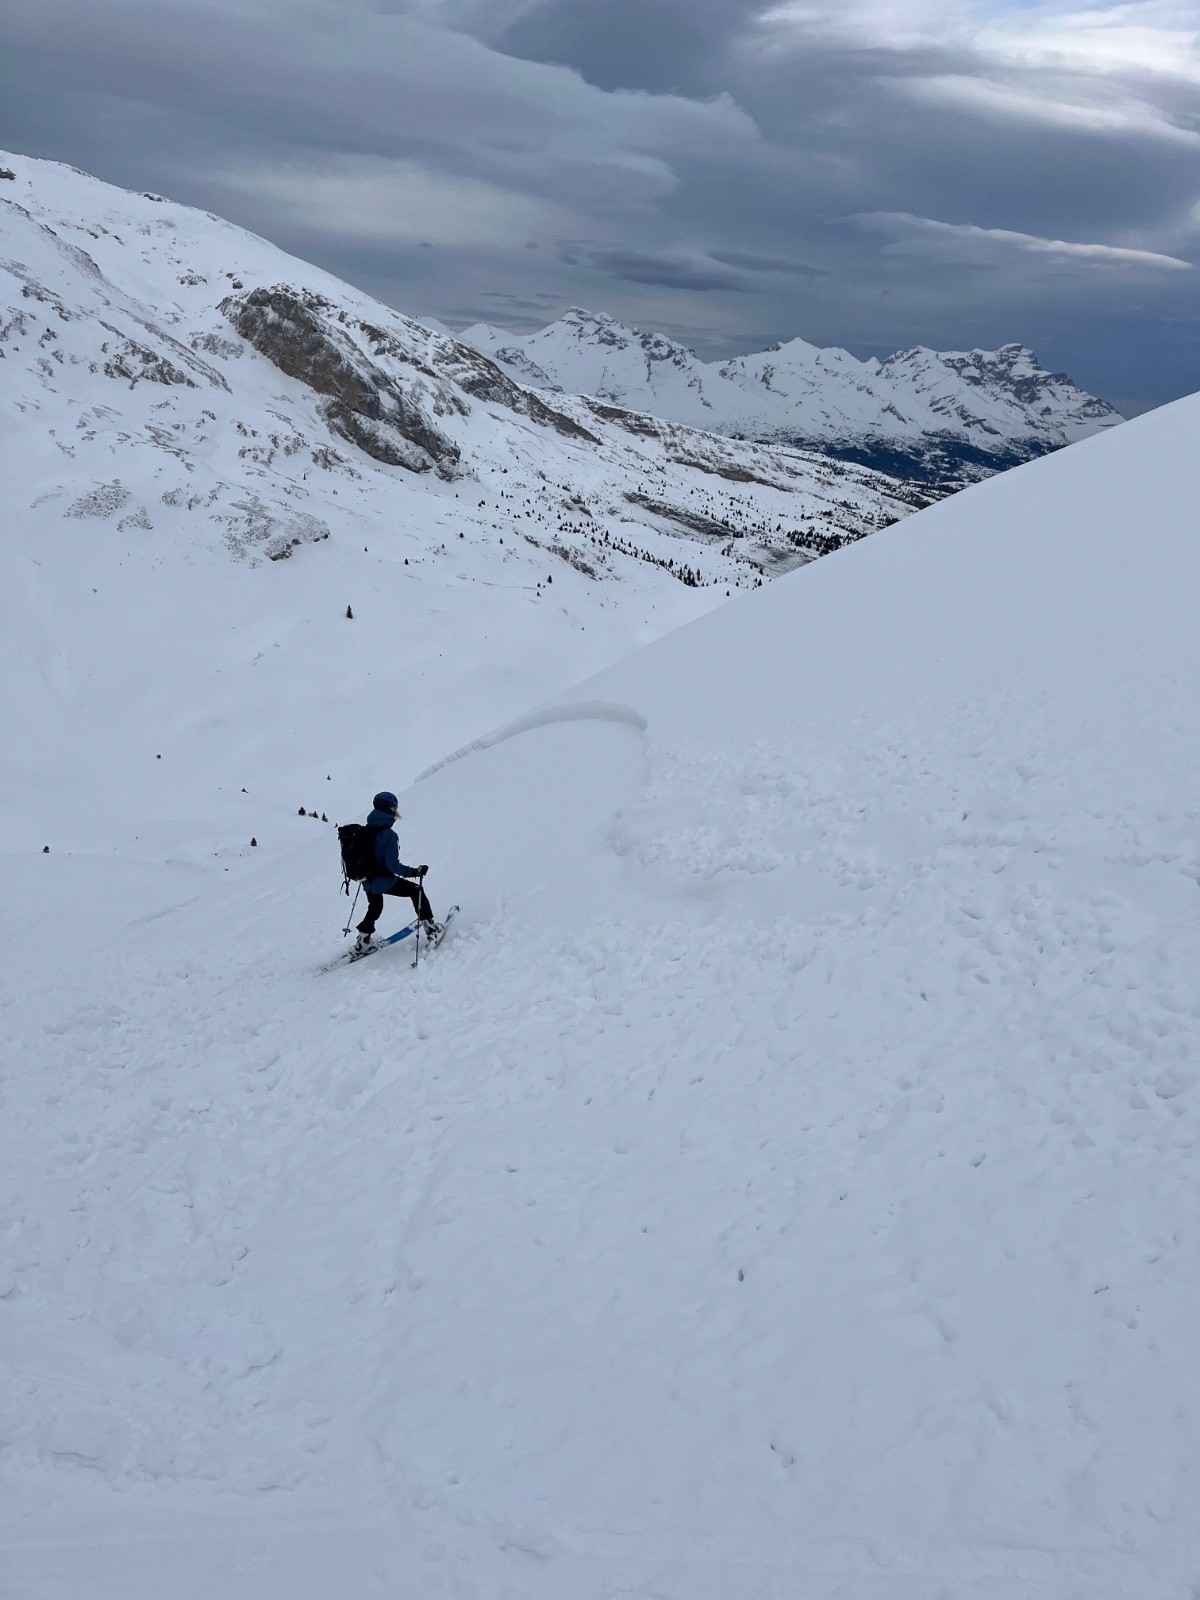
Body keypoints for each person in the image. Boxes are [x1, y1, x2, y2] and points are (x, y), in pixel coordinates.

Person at [354, 791, 442, 953]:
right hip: (383, 880)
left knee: (375, 907)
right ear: (390, 809)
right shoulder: (389, 835)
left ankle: (363, 942)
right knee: (417, 891)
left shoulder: (365, 830)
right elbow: (393, 865)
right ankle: (431, 929)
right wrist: (416, 871)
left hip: (367, 881)